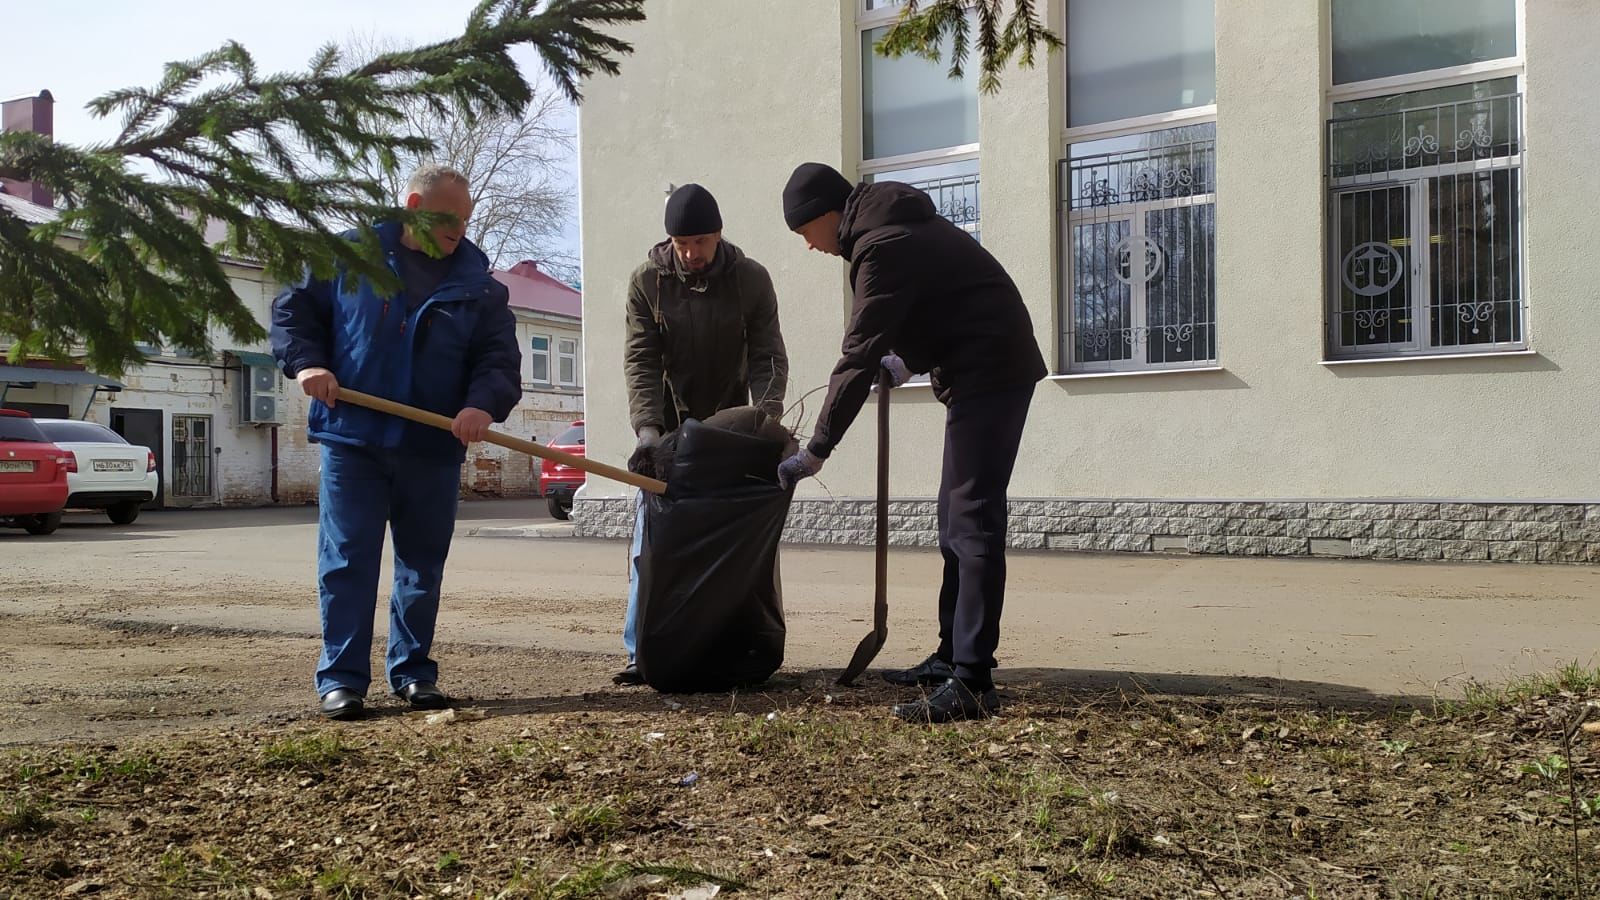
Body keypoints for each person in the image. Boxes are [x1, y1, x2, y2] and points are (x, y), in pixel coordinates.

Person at [777, 162, 1047, 723]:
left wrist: (816, 450)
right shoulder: (890, 230)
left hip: (992, 370)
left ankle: (973, 681)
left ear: (827, 215)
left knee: (972, 519)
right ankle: (952, 657)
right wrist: (909, 359)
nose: (809, 246)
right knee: (952, 520)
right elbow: (945, 304)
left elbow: (857, 353)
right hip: (979, 363)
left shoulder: (881, 245)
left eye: (805, 233)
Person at [271, 164, 522, 720]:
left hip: (431, 445)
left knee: (421, 564)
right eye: (449, 217)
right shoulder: (347, 257)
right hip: (353, 437)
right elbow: (293, 312)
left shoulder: (480, 286)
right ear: (412, 205)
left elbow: (498, 360)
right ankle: (341, 680)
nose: (461, 228)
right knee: (347, 561)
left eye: (467, 219)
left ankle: (412, 672)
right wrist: (308, 363)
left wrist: (482, 404)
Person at [617, 183, 789, 684]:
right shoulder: (647, 282)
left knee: (743, 542)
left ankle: (739, 644)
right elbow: (641, 361)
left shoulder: (750, 279)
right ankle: (639, 648)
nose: (691, 253)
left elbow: (768, 355)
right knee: (650, 540)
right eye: (682, 243)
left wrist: (766, 420)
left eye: (701, 242)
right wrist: (649, 433)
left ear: (719, 235)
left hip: (733, 430)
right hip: (671, 428)